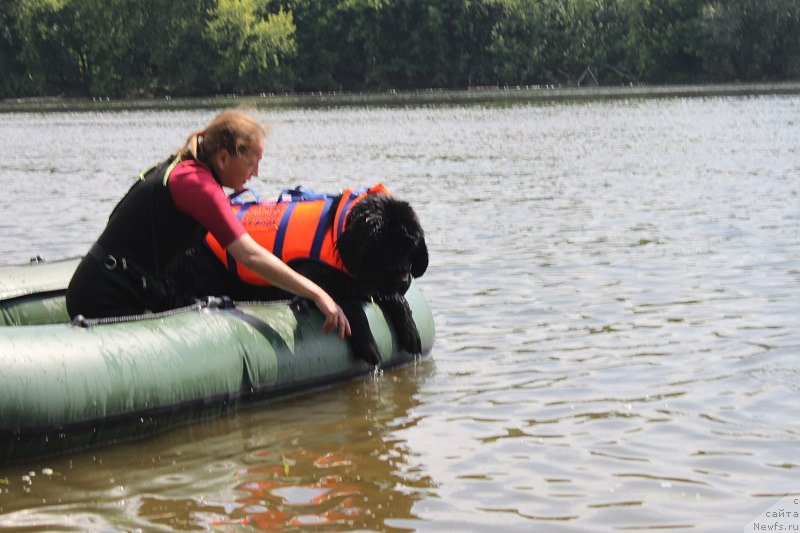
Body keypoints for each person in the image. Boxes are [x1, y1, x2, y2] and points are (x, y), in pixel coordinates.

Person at [66, 109, 351, 339]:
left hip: (121, 286)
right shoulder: (197, 184)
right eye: (252, 163)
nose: (256, 173)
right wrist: (318, 293)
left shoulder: (189, 169)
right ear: (224, 157)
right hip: (104, 295)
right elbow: (249, 256)